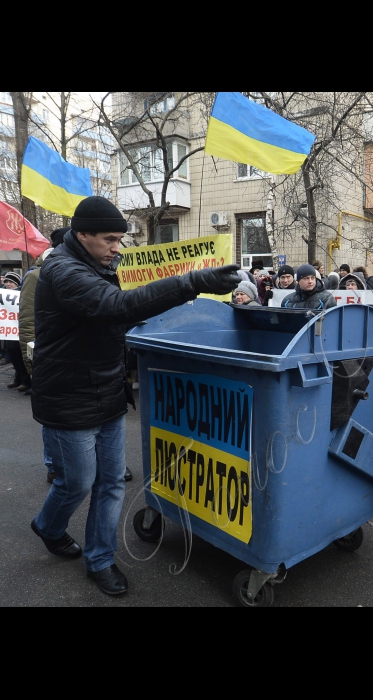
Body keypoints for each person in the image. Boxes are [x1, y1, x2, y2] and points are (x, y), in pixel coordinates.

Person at [29, 196, 240, 596]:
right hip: (69, 395)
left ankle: (100, 559)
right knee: (77, 482)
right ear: (81, 234)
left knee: (110, 483)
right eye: (109, 239)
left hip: (107, 389)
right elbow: (116, 305)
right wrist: (191, 283)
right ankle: (48, 526)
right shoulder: (62, 269)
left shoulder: (100, 263)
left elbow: (128, 306)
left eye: (120, 240)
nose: (117, 248)